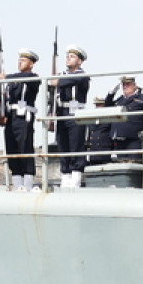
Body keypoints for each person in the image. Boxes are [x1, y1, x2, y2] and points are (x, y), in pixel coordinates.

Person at [50, 45, 90, 188]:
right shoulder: (63, 75)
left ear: (80, 61)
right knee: (63, 145)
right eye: (67, 56)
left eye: (72, 56)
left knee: (76, 145)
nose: (68, 58)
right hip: (62, 112)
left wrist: (58, 81)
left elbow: (74, 80)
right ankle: (65, 176)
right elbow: (53, 93)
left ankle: (76, 178)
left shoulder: (81, 75)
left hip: (76, 113)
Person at [2, 49, 41, 190]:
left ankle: (28, 184)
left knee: (25, 148)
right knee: (12, 150)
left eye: (24, 60)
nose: (20, 62)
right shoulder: (13, 81)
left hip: (24, 116)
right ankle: (17, 184)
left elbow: (25, 78)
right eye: (19, 59)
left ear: (31, 64)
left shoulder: (33, 77)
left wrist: (6, 77)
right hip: (11, 116)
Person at [104, 76, 143, 162]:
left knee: (135, 162)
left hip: (134, 139)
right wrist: (111, 94)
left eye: (128, 84)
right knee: (121, 164)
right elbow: (108, 106)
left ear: (134, 85)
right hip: (119, 139)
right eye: (124, 85)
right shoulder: (120, 100)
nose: (125, 87)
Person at [84, 96, 113, 167]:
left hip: (105, 152)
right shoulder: (91, 119)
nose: (98, 107)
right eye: (97, 105)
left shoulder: (110, 119)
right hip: (93, 153)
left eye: (100, 105)